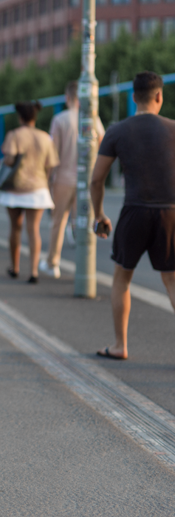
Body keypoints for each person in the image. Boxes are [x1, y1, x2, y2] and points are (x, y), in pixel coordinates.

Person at [91, 71, 175, 361]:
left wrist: (99, 213)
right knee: (172, 280)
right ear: (159, 96)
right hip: (170, 213)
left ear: (133, 97)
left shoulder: (117, 131)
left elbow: (96, 180)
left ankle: (119, 345)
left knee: (122, 279)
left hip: (134, 211)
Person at [39, 81, 106, 278]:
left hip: (63, 178)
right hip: (86, 180)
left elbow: (53, 154)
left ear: (67, 97)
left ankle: (53, 262)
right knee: (84, 223)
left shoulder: (60, 119)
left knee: (58, 222)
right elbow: (102, 141)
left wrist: (48, 179)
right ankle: (86, 268)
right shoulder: (92, 118)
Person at [0, 101, 59, 284]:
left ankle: (15, 267)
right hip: (38, 190)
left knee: (15, 228)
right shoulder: (45, 138)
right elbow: (51, 165)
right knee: (34, 230)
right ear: (35, 116)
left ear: (20, 117)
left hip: (15, 188)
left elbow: (9, 160)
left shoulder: (14, 135)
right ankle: (34, 271)